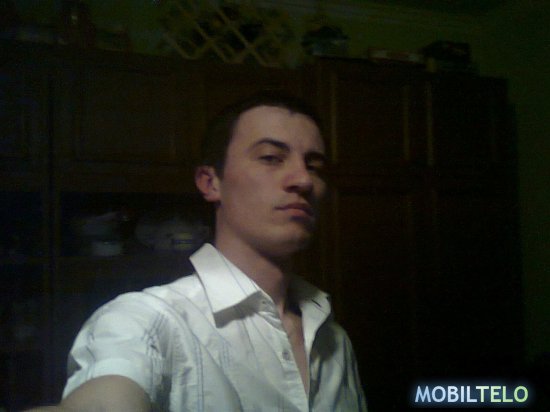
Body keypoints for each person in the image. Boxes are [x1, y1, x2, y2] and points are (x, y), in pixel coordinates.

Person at [27, 92, 367, 411]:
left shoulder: (332, 339)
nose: (303, 180)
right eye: (270, 158)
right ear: (210, 182)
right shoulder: (146, 320)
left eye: (314, 166)